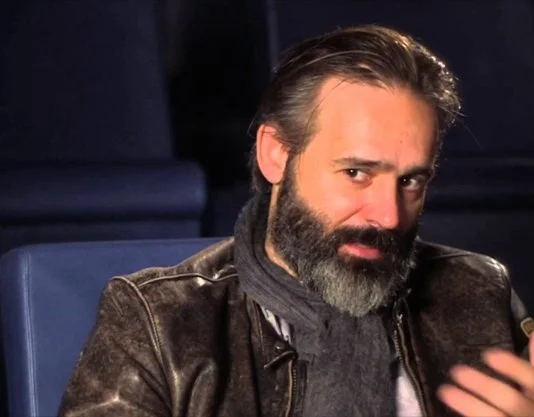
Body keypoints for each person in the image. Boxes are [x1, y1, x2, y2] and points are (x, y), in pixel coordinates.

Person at [59, 25, 534, 417]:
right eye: (356, 173)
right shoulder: (160, 323)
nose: (388, 216)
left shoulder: (477, 292)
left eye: (410, 181)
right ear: (276, 154)